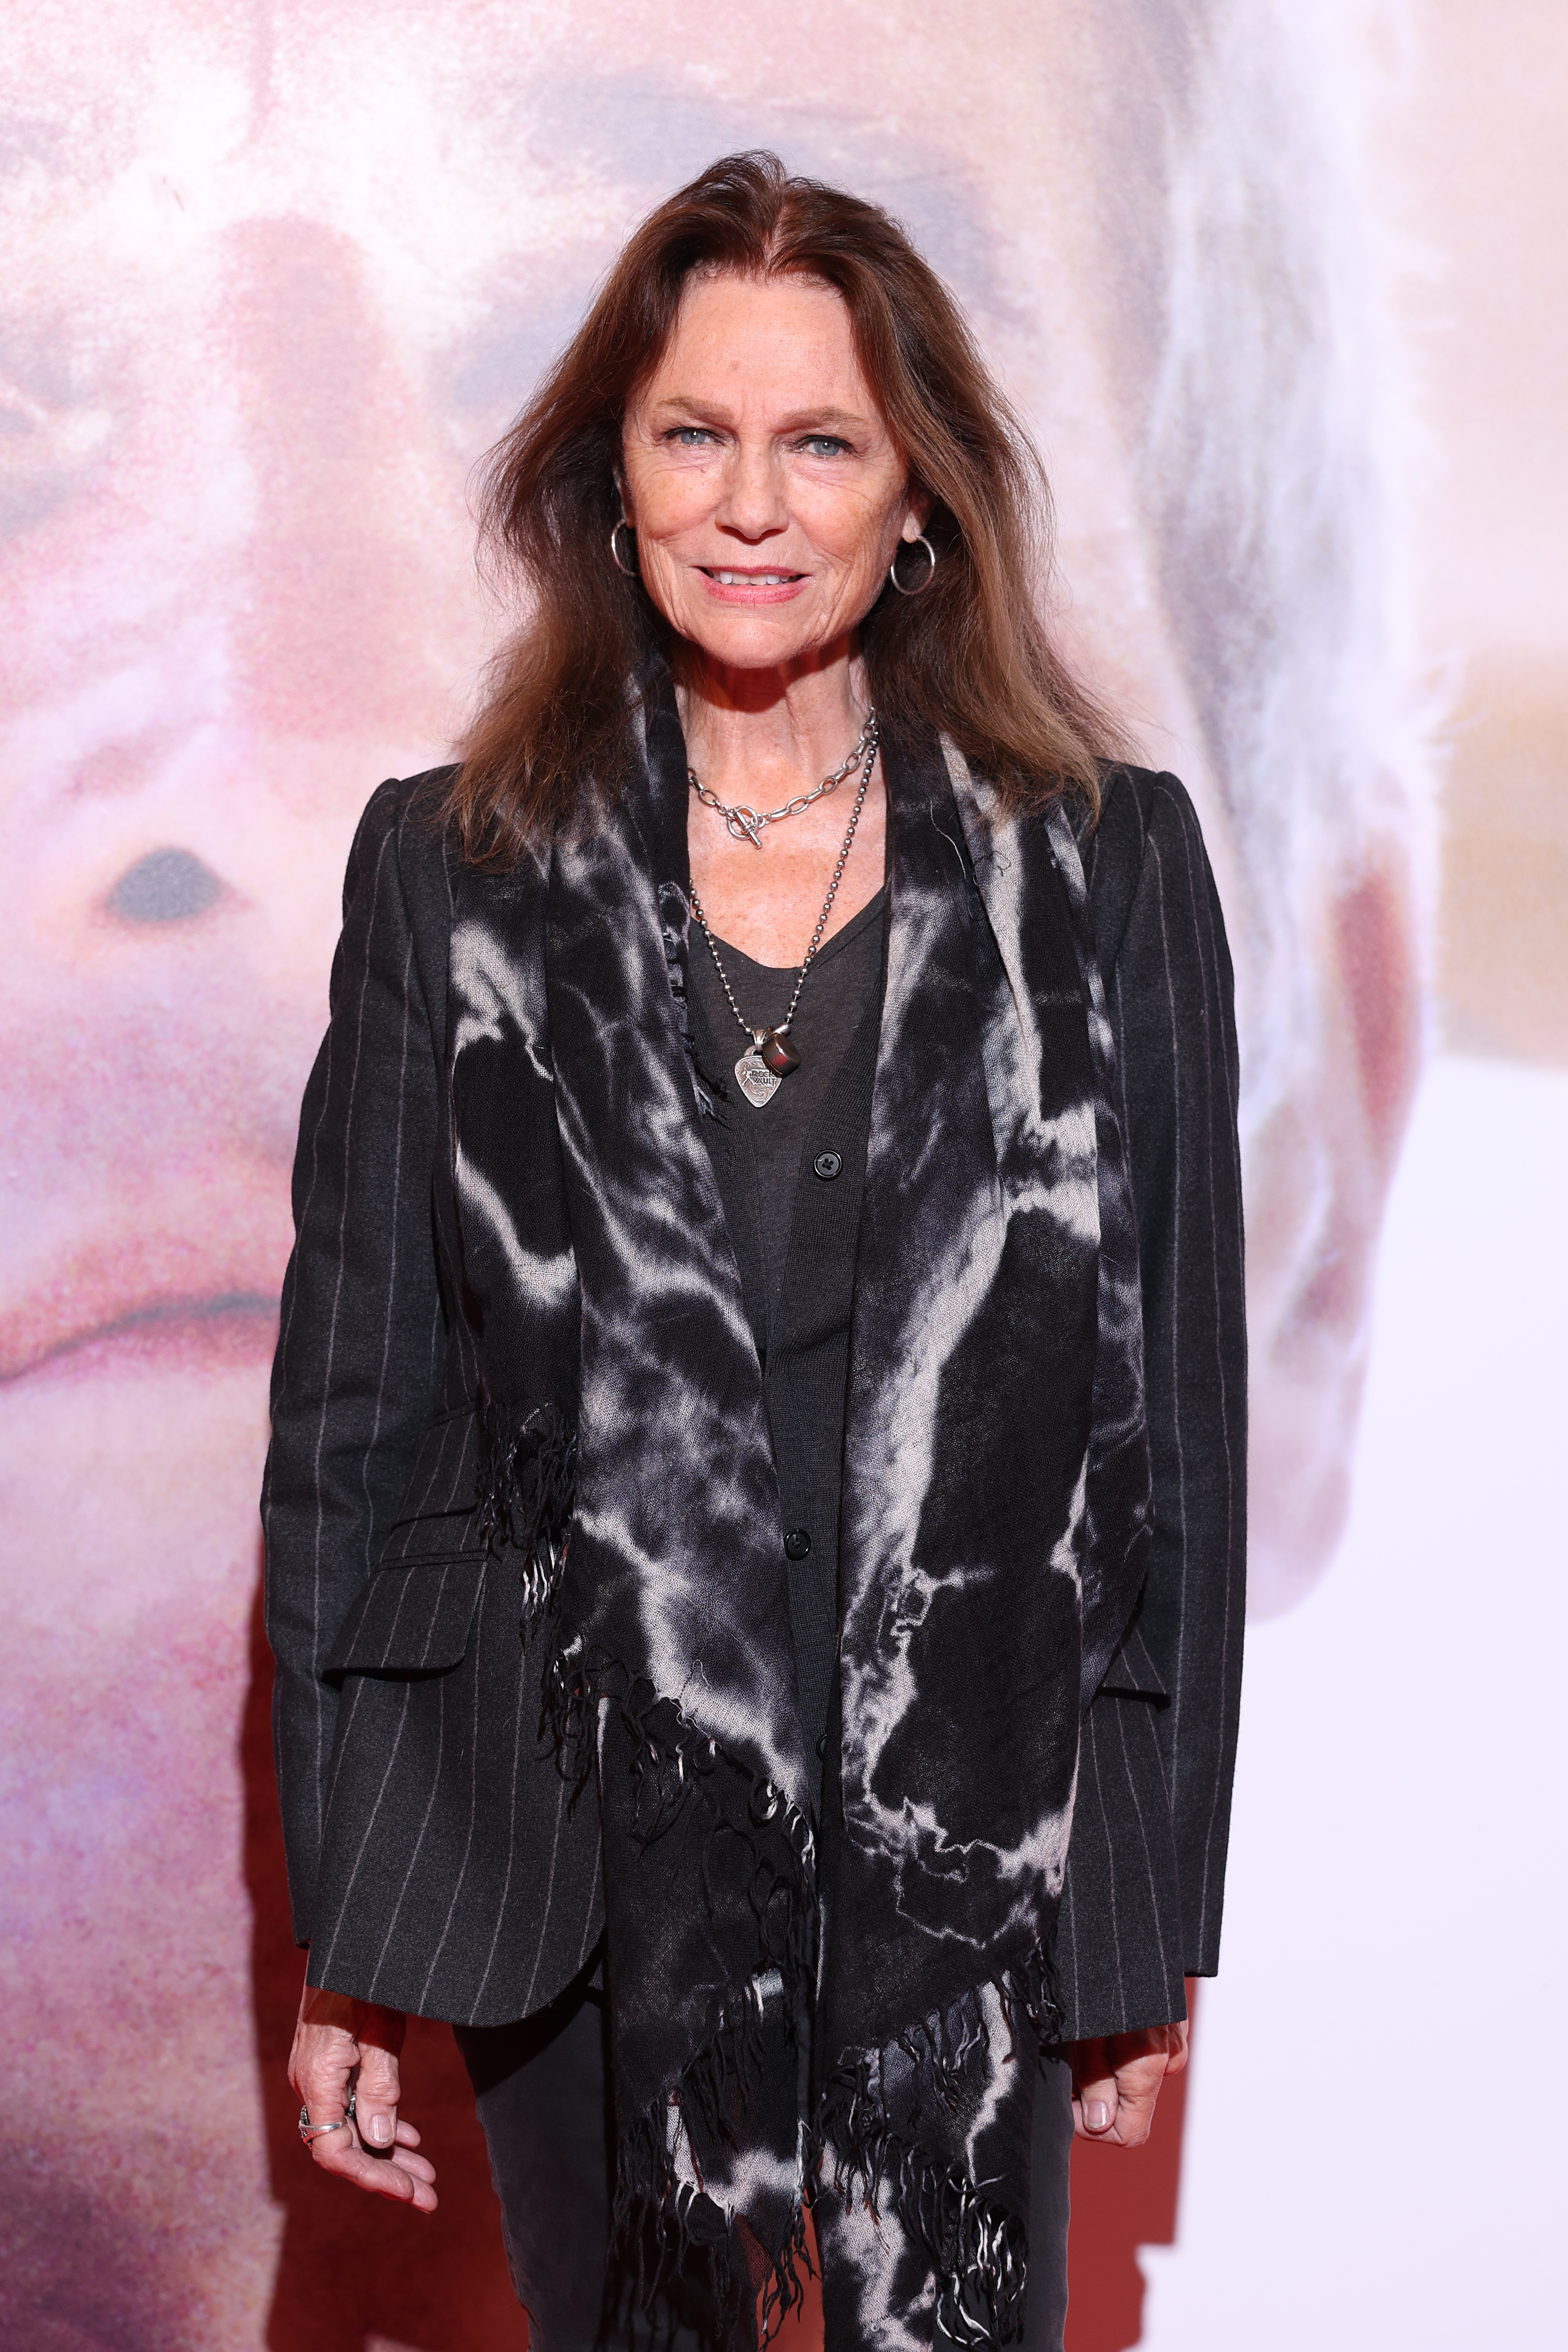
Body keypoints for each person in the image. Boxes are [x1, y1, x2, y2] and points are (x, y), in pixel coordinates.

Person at [264, 153, 1246, 2350]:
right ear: (612, 474)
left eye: (823, 442)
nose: (752, 502)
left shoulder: (1102, 865)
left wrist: (1141, 1911)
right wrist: (357, 1923)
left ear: (919, 502)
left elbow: (1171, 1426)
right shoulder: (450, 868)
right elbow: (357, 1419)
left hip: (972, 1840)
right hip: (571, 1841)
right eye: (694, 432)